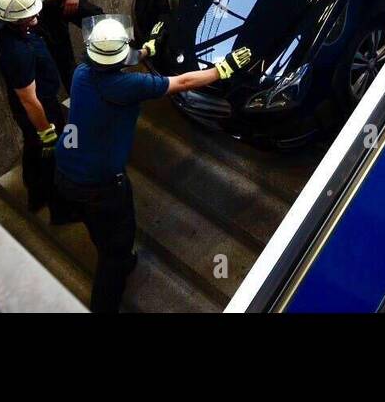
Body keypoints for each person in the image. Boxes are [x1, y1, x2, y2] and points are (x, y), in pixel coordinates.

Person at [54, 17, 252, 312]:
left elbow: (111, 62)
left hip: (65, 173)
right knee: (114, 256)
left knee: (99, 229)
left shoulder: (81, 73)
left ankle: (118, 253)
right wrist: (221, 70)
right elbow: (183, 82)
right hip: (101, 187)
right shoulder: (129, 85)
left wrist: (145, 51)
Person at [0, 0, 71, 222]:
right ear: (16, 20)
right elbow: (29, 99)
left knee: (34, 151)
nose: (36, 15)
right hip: (41, 109)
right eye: (29, 15)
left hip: (33, 107)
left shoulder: (5, 17)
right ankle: (60, 210)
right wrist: (46, 130)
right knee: (52, 156)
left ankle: (35, 194)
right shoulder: (17, 52)